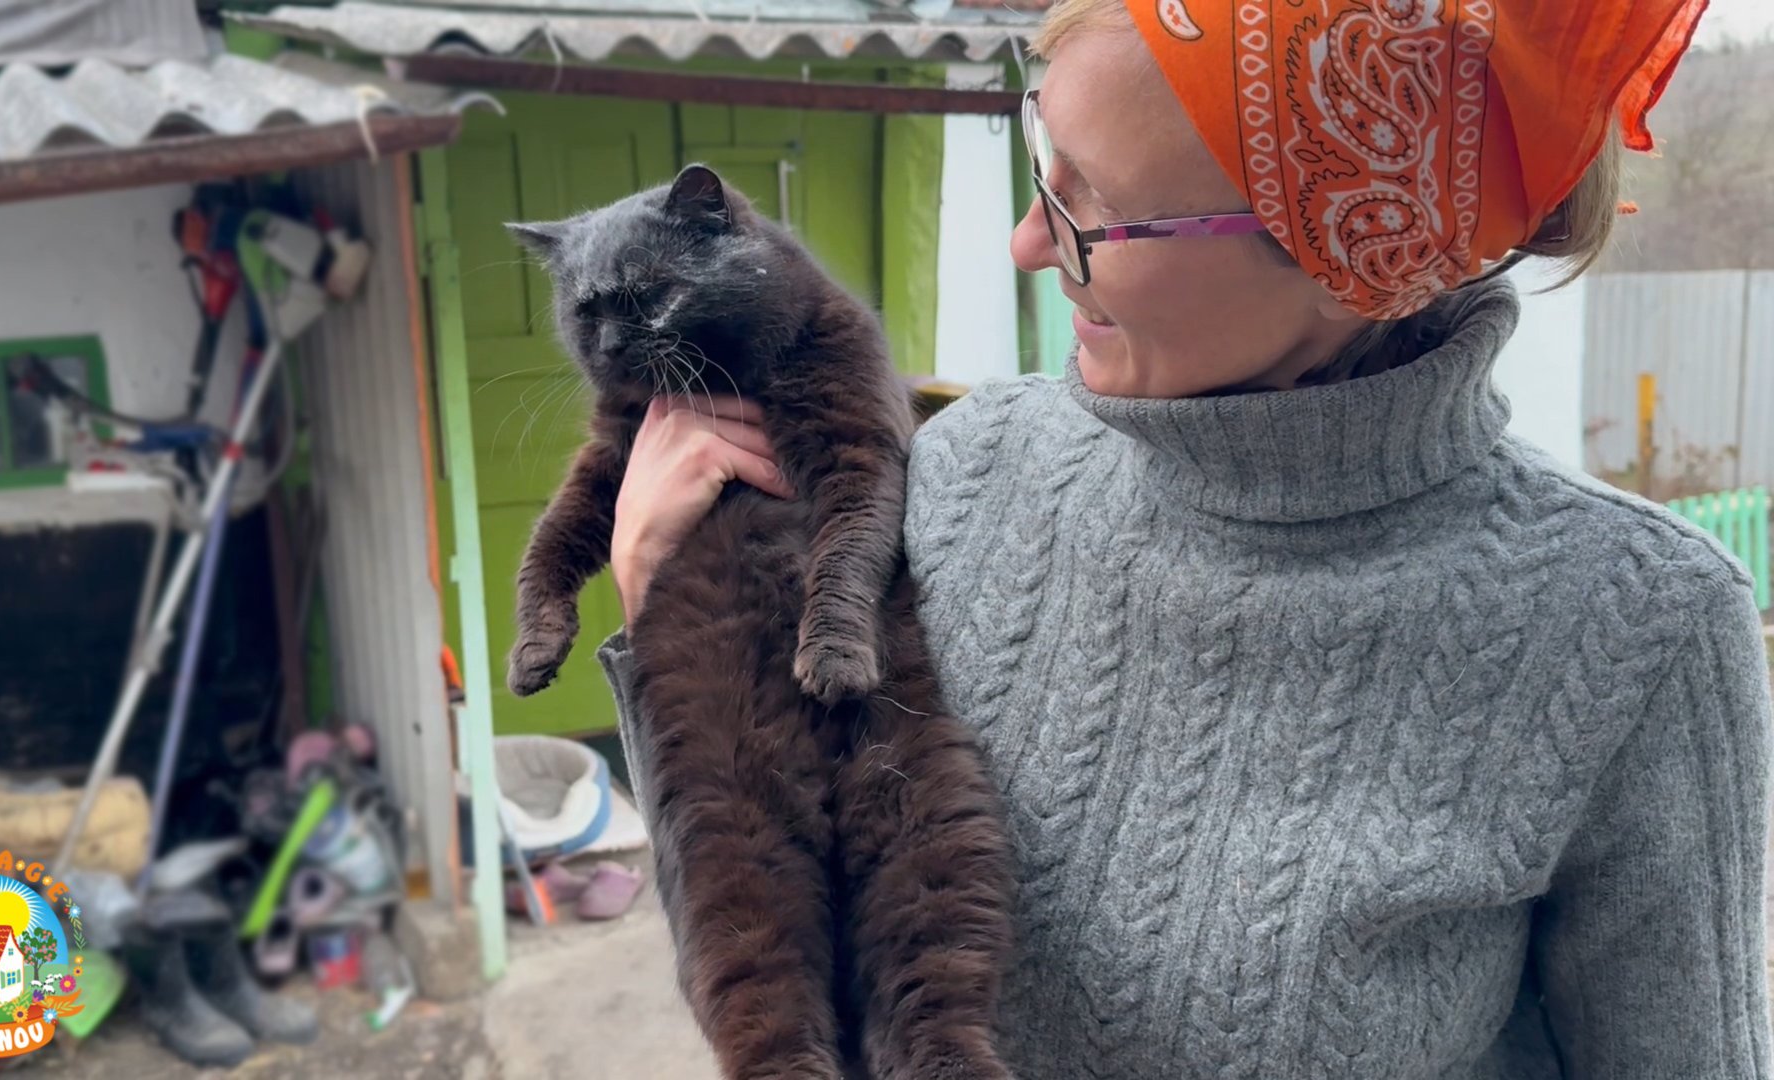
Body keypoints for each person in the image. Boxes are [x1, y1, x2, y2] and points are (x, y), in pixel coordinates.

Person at [597, 0, 1772, 1075]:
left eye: (1095, 209)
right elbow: (783, 955)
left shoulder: (1636, 630)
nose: (1028, 241)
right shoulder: (967, 470)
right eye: (1042, 160)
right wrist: (668, 618)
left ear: (1350, 252)